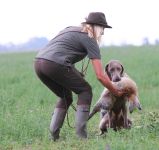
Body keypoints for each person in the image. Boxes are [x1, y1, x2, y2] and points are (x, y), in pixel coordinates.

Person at [34, 12, 125, 140]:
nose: (103, 32)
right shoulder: (90, 38)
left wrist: (75, 72)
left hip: (38, 63)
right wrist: (115, 91)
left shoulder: (69, 29)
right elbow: (100, 75)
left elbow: (61, 51)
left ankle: (54, 137)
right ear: (96, 27)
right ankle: (81, 138)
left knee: (65, 96)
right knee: (85, 91)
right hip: (55, 64)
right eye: (103, 28)